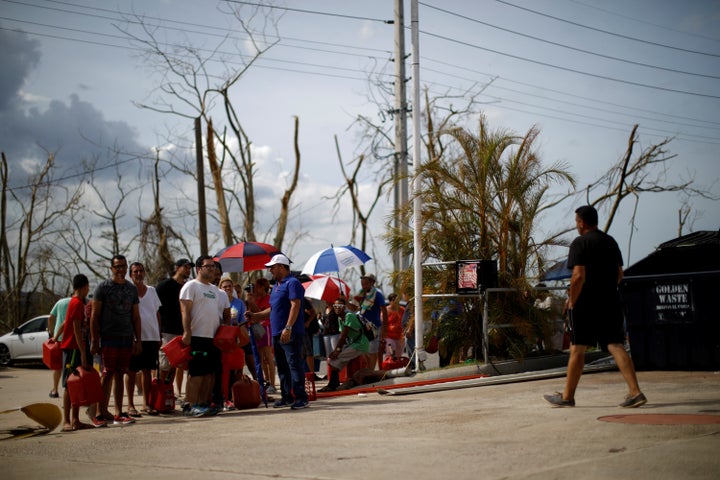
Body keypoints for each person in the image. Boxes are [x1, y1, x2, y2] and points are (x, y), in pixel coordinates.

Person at [544, 205, 647, 408]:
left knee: (577, 349)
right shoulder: (610, 242)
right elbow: (619, 274)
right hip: (610, 301)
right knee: (616, 345)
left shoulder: (580, 243)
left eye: (576, 222)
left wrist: (572, 300)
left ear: (581, 222)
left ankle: (567, 396)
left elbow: (578, 276)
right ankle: (635, 392)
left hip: (585, 304)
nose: (576, 226)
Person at [245, 254, 309, 410]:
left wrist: (288, 327)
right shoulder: (277, 286)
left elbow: (295, 305)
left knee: (294, 364)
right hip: (276, 333)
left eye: (272, 267)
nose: (270, 270)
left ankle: (301, 397)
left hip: (290, 332)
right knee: (282, 365)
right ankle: (287, 396)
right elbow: (272, 309)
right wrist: (255, 316)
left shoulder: (292, 283)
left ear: (281, 266)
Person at [90, 255, 142, 425]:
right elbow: (94, 316)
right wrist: (94, 340)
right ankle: (99, 413)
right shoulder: (103, 288)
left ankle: (119, 412)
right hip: (108, 337)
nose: (121, 269)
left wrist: (138, 339)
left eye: (123, 266)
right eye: (117, 266)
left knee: (121, 373)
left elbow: (136, 316)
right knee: (106, 374)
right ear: (112, 268)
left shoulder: (131, 289)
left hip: (126, 337)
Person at [180, 256, 230, 417]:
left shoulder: (215, 291)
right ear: (199, 268)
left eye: (213, 266)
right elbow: (185, 311)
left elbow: (221, 314)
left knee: (210, 373)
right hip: (197, 336)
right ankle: (190, 404)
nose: (212, 269)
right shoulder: (191, 286)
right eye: (208, 266)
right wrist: (187, 331)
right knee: (197, 373)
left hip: (213, 338)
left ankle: (202, 403)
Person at [126, 262, 162, 416]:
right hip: (134, 337)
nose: (138, 274)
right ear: (130, 274)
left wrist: (159, 334)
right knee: (132, 371)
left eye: (141, 271)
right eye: (135, 272)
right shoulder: (127, 291)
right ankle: (130, 405)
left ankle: (146, 403)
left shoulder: (152, 290)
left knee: (148, 371)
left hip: (152, 337)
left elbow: (157, 313)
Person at [59, 274, 95, 431]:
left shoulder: (79, 303)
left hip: (79, 348)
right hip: (73, 349)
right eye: (87, 287)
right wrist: (82, 352)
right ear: (84, 286)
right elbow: (75, 328)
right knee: (69, 384)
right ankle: (67, 420)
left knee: (78, 385)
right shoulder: (76, 303)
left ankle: (76, 419)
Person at [156, 258, 192, 399]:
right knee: (164, 366)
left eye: (189, 267)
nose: (188, 270)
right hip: (167, 330)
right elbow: (156, 309)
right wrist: (158, 331)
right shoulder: (164, 286)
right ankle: (159, 394)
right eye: (185, 267)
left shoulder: (187, 287)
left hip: (182, 331)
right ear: (177, 268)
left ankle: (168, 394)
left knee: (175, 365)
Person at [320, 297, 369, 392]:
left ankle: (333, 385)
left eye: (340, 306)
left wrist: (337, 351)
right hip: (354, 343)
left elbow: (343, 336)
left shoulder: (349, 316)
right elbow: (343, 338)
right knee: (333, 360)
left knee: (334, 360)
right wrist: (338, 350)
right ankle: (334, 383)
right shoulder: (340, 318)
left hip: (360, 344)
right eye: (335, 306)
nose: (337, 308)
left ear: (344, 307)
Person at [245, 277, 275, 394]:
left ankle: (272, 383)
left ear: (263, 287)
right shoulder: (255, 298)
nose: (255, 289)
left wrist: (253, 305)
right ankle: (266, 380)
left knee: (268, 356)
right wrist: (250, 302)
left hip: (265, 328)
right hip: (256, 329)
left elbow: (261, 314)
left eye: (257, 286)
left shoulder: (268, 298)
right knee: (260, 356)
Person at [355, 273, 388, 369]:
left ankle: (371, 371)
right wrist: (345, 301)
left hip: (374, 327)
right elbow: (355, 308)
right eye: (362, 284)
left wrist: (384, 328)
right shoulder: (361, 294)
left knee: (372, 351)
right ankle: (369, 369)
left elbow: (384, 311)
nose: (364, 286)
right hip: (362, 327)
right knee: (362, 350)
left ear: (372, 283)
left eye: (366, 284)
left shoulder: (377, 294)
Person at [47, 297, 71, 398]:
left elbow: (50, 317)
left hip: (58, 337)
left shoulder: (60, 302)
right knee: (70, 364)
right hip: (70, 337)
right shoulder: (77, 301)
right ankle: (71, 389)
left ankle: (55, 390)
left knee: (58, 366)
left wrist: (52, 333)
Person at [384, 293, 405, 359]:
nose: (396, 302)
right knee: (391, 352)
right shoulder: (386, 310)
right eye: (394, 300)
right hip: (389, 336)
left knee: (398, 355)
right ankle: (388, 366)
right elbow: (382, 322)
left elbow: (406, 321)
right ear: (390, 301)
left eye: (397, 300)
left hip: (400, 336)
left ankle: (396, 367)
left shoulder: (402, 310)